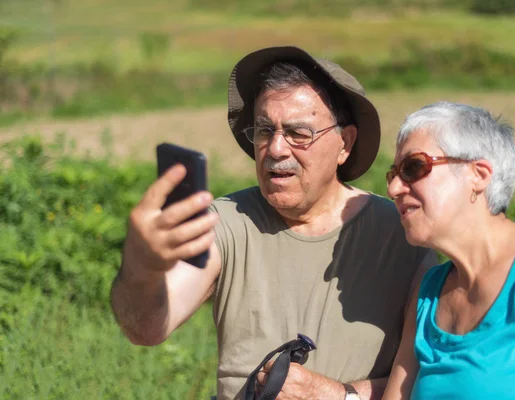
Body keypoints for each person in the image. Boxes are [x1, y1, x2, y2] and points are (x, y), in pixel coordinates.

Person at [110, 46, 436, 400]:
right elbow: (145, 329)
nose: (276, 149)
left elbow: (432, 379)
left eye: (299, 133)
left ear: (345, 143)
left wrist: (336, 395)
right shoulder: (227, 222)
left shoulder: (402, 235)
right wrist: (142, 267)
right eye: (265, 131)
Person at [382, 101, 515, 399]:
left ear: (479, 175)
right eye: (393, 174)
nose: (394, 188)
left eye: (413, 167)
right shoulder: (429, 292)